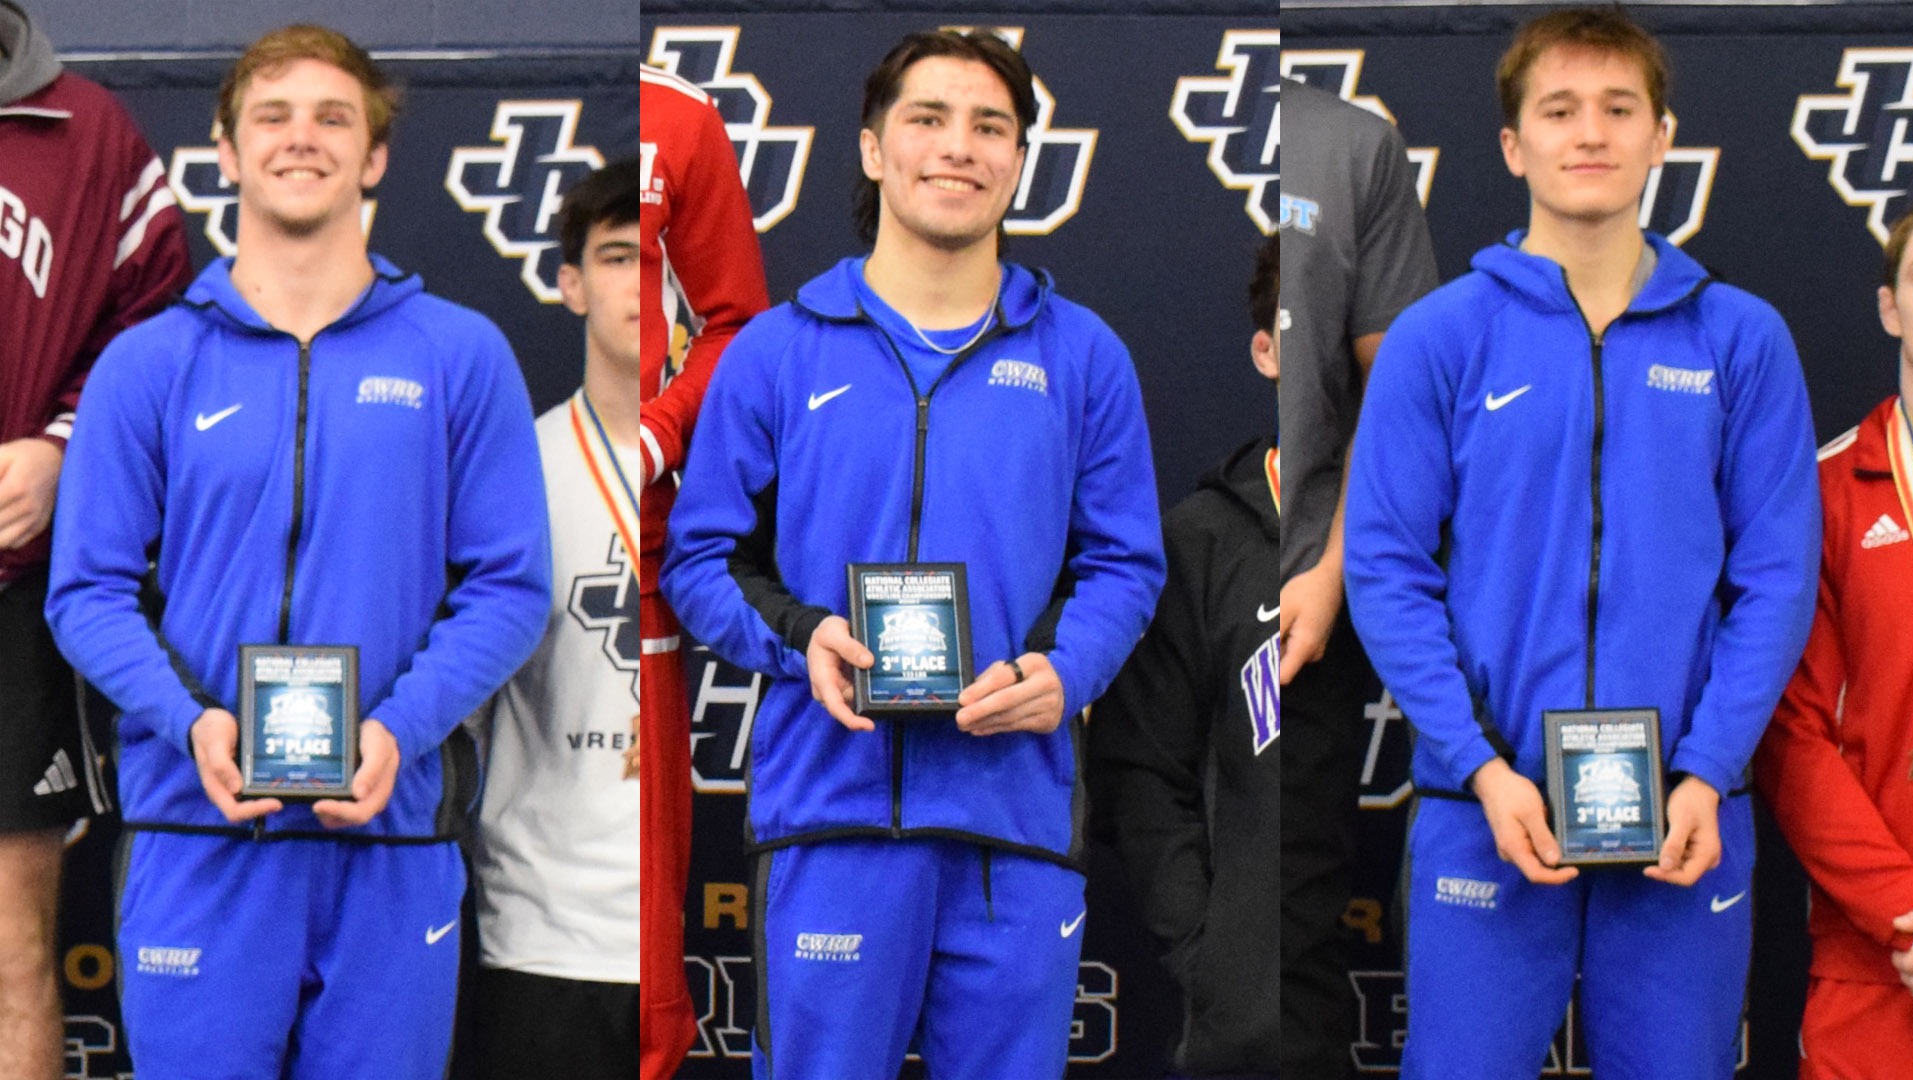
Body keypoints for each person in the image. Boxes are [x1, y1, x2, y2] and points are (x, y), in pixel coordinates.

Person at [43, 25, 549, 1079]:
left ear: (374, 157)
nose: (301, 138)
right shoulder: (148, 363)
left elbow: (508, 588)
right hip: (197, 837)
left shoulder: (460, 354)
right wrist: (193, 725)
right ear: (224, 153)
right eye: (271, 116)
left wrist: (400, 730)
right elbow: (86, 592)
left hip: (394, 838)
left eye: (333, 118)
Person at [661, 28, 1164, 1078]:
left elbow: (1125, 567)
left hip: (1012, 825)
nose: (959, 148)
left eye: (991, 127)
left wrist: (1064, 674)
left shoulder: (1085, 356)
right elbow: (700, 561)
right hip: (830, 819)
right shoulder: (777, 353)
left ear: (1020, 160)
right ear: (873, 148)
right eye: (928, 120)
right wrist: (801, 639)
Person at [1342, 8, 1820, 1078]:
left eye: (1618, 109)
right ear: (1514, 146)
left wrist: (1704, 770)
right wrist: (1480, 767)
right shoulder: (1442, 336)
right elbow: (1385, 568)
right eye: (1559, 110)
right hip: (1487, 812)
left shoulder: (1741, 338)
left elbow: (1778, 579)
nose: (1589, 133)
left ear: (1662, 138)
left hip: (1690, 821)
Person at [1091, 188, 1428, 1077]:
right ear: (1265, 352)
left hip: (1444, 931)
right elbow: (1140, 769)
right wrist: (1215, 949)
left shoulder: (1445, 534)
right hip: (1252, 1004)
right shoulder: (1197, 541)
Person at [0, 2, 191, 1074]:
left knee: (9, 953)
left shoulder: (87, 131)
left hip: (10, 586)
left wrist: (66, 447)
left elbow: (156, 322)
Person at [466, 159, 682, 1080]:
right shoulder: (510, 466)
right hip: (539, 931)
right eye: (614, 258)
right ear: (569, 283)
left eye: (656, 263)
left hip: (678, 922)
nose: (637, 285)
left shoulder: (742, 467)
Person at [1754, 202, 1913, 1078]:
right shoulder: (1824, 496)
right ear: (1890, 306)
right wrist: (1904, 914)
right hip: (1878, 954)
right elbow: (1790, 734)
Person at [631, 61, 769, 1078]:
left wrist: (658, 431)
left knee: (637, 908)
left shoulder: (676, 115)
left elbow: (734, 319)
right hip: (476, 544)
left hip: (627, 559)